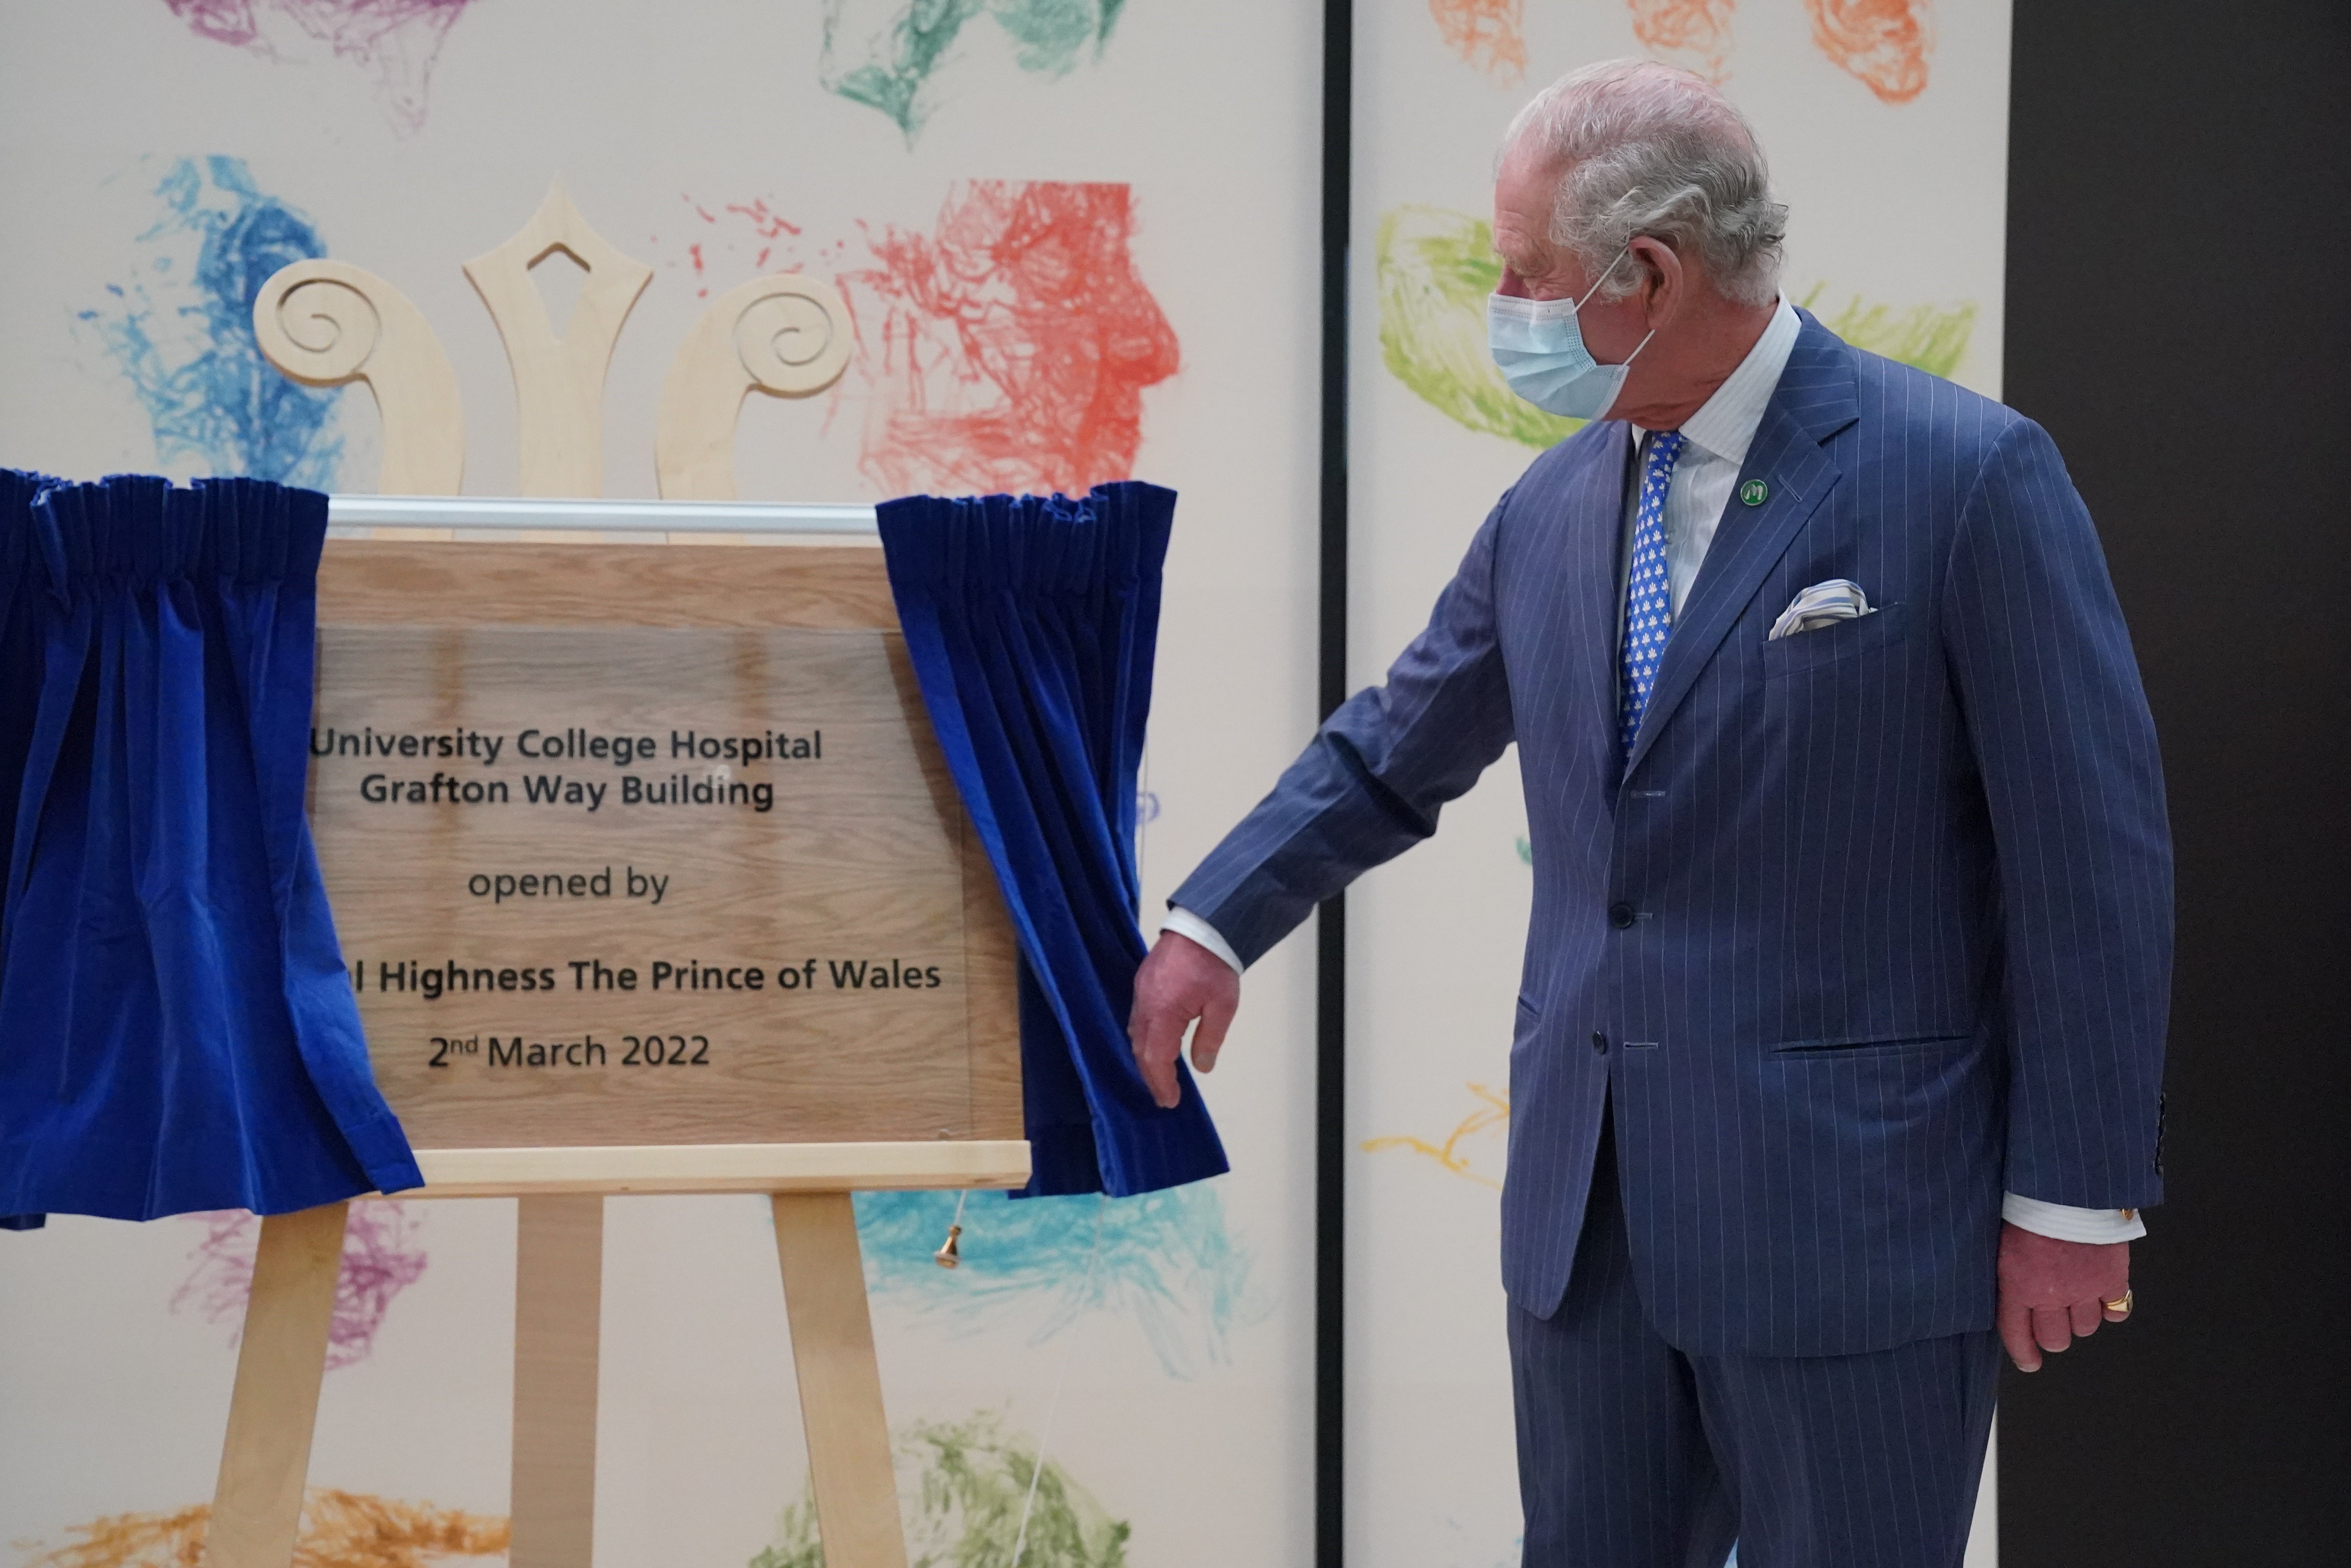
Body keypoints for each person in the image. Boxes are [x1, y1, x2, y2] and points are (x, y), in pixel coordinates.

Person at [1127, 58, 2169, 1568]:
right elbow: (1391, 752)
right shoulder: (1549, 508)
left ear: (1653, 271)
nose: (1505, 302)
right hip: (1587, 1233)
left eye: (1524, 271)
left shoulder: (1967, 477)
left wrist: (2079, 1199)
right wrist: (1211, 921)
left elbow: (2094, 862)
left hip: (1852, 1234)